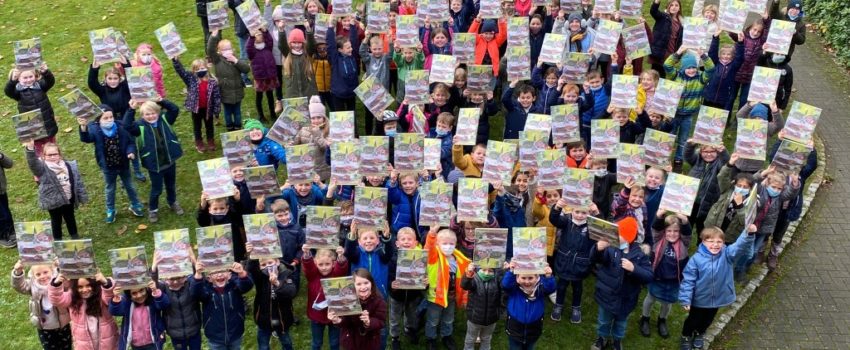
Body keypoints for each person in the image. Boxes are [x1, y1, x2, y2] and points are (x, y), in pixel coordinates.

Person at [678, 225, 757, 350]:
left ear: (723, 243)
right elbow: (688, 280)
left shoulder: (727, 255)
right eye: (711, 241)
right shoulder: (696, 260)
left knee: (707, 320)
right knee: (693, 320)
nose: (715, 244)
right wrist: (685, 298)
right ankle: (686, 336)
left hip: (717, 299)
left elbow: (739, 246)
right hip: (699, 300)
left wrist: (748, 234)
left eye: (719, 241)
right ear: (703, 241)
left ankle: (699, 334)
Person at [590, 217, 653, 350]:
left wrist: (634, 269)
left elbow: (648, 275)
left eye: (618, 234)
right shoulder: (611, 248)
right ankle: (602, 338)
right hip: (607, 296)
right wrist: (597, 249)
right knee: (603, 321)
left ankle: (617, 340)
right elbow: (596, 259)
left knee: (621, 323)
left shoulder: (640, 255)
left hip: (626, 298)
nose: (614, 236)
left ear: (629, 237)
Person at [78, 105, 144, 223]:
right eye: (105, 118)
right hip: (108, 167)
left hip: (123, 164)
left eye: (111, 117)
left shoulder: (121, 126)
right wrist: (83, 126)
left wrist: (130, 152)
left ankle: (135, 204)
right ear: (98, 120)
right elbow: (86, 138)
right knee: (110, 188)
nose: (109, 120)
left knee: (130, 185)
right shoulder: (94, 129)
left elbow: (130, 142)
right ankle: (111, 209)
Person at [123, 99, 184, 223]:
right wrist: (131, 110)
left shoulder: (165, 119)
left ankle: (172, 202)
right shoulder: (139, 126)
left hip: (169, 161)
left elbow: (175, 109)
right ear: (142, 115)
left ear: (158, 112)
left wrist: (162, 101)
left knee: (171, 185)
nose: (150, 116)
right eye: (147, 114)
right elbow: (126, 125)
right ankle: (153, 209)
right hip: (154, 165)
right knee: (157, 189)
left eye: (153, 113)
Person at [87, 59, 147, 181]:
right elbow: (92, 83)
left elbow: (132, 75)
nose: (113, 81)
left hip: (127, 120)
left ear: (120, 79)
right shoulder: (102, 90)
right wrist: (94, 68)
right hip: (111, 123)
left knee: (131, 145)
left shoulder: (125, 87)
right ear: (105, 79)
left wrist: (125, 63)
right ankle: (122, 172)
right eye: (110, 79)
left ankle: (137, 170)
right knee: (117, 148)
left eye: (115, 78)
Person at [639, 211, 691, 339]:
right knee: (650, 298)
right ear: (664, 231)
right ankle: (644, 318)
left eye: (676, 231)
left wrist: (684, 221)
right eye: (669, 231)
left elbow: (687, 233)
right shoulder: (658, 239)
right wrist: (659, 216)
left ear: (680, 233)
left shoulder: (684, 243)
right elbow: (656, 227)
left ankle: (662, 320)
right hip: (657, 277)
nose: (672, 234)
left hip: (674, 281)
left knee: (667, 303)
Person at [663, 47, 715, 171]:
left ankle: (678, 161)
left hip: (688, 116)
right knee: (669, 138)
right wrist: (678, 52)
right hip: (673, 114)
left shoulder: (700, 79)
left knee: (683, 140)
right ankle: (664, 160)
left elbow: (711, 68)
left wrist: (703, 56)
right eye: (688, 68)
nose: (691, 70)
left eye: (693, 67)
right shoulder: (676, 76)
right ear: (682, 68)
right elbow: (667, 65)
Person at [25, 141, 88, 240]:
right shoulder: (42, 168)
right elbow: (33, 163)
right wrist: (30, 148)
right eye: (49, 155)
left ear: (59, 155)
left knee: (70, 217)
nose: (52, 157)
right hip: (53, 202)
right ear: (44, 156)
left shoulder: (69, 166)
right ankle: (58, 241)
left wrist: (82, 196)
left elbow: (77, 181)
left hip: (68, 198)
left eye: (55, 154)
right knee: (56, 221)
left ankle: (75, 237)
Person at [549, 202, 599, 323]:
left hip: (580, 264)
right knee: (561, 286)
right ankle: (558, 305)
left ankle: (576, 307)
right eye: (577, 212)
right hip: (564, 261)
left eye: (584, 213)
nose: (580, 215)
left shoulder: (591, 225)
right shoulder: (567, 221)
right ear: (572, 211)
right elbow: (554, 219)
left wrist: (597, 213)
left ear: (589, 213)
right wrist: (557, 207)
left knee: (577, 287)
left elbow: (601, 228)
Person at [423, 227, 471, 350]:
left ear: (456, 244)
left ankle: (446, 336)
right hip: (436, 297)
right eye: (444, 243)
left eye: (451, 244)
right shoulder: (434, 257)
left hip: (451, 296)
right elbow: (428, 248)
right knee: (433, 320)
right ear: (438, 244)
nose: (448, 246)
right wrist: (432, 234)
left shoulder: (459, 259)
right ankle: (431, 338)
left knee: (449, 318)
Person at [48, 271, 119, 350]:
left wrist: (105, 282)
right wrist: (56, 283)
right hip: (83, 343)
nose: (84, 290)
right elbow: (56, 300)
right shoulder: (72, 297)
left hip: (107, 341)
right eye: (80, 287)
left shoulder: (102, 294)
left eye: (88, 285)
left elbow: (109, 298)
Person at [191, 261, 254, 350]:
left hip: (235, 333)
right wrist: (198, 274)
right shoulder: (206, 289)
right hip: (215, 336)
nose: (219, 275)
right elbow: (195, 292)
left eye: (222, 271)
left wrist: (241, 273)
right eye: (215, 273)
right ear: (209, 278)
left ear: (229, 275)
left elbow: (247, 286)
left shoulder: (234, 286)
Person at [11, 261, 72, 349]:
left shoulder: (59, 281)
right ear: (33, 276)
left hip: (62, 324)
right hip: (44, 327)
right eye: (38, 274)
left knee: (66, 347)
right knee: (49, 347)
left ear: (52, 271)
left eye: (45, 272)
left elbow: (69, 282)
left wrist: (61, 266)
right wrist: (18, 272)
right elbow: (19, 286)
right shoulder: (32, 285)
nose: (43, 276)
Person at [327, 268, 388, 350]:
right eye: (358, 284)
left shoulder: (379, 300)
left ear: (372, 283)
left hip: (370, 341)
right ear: (352, 286)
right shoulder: (346, 300)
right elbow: (345, 323)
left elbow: (381, 321)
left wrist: (369, 322)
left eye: (366, 283)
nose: (363, 287)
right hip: (351, 341)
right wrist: (338, 320)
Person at [245, 256, 298, 350]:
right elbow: (251, 269)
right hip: (263, 318)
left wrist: (277, 283)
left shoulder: (286, 274)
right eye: (263, 265)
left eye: (270, 263)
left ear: (277, 262)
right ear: (259, 267)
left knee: (286, 342)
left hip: (282, 319)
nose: (267, 267)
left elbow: (292, 292)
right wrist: (252, 255)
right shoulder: (260, 277)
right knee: (263, 345)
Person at [5, 64, 57, 155]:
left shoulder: (39, 86)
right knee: (37, 148)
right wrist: (12, 81)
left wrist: (45, 72)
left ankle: (54, 159)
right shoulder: (18, 92)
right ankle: (41, 163)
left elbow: (50, 82)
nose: (28, 80)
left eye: (30, 76)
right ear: (19, 79)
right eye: (25, 78)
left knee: (51, 146)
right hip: (32, 127)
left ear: (35, 76)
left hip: (47, 122)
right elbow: (8, 91)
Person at [302, 247, 349, 350]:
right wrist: (306, 254)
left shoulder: (336, 274)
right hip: (316, 316)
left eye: (327, 264)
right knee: (316, 343)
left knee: (334, 343)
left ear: (333, 264)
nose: (324, 268)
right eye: (320, 264)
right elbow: (308, 267)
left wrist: (340, 257)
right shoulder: (312, 275)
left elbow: (342, 267)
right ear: (315, 264)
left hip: (334, 315)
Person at [502, 262, 556, 350]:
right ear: (517, 277)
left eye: (530, 278)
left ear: (537, 277)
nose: (527, 281)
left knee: (530, 347)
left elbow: (551, 288)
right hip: (515, 330)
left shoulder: (540, 289)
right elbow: (506, 284)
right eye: (523, 278)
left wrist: (548, 276)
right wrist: (511, 271)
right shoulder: (514, 288)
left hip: (533, 330)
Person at [172, 56, 220, 153]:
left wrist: (217, 110)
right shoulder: (191, 80)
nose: (200, 71)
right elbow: (181, 72)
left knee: (209, 125)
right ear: (193, 71)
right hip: (196, 109)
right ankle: (199, 142)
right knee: (197, 126)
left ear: (207, 68)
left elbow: (216, 97)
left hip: (208, 108)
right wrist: (176, 61)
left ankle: (210, 141)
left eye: (202, 68)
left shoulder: (212, 82)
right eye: (197, 69)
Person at [153, 258, 202, 350]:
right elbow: (154, 284)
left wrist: (191, 258)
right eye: (172, 279)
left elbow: (197, 278)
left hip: (194, 330)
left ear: (184, 276)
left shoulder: (190, 285)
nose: (175, 282)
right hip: (176, 334)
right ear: (166, 278)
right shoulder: (163, 288)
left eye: (178, 278)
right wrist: (154, 269)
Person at [207, 29, 251, 131]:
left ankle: (238, 126)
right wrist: (213, 36)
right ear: (219, 51)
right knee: (227, 112)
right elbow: (210, 50)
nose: (227, 51)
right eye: (224, 50)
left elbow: (246, 69)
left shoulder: (235, 59)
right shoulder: (217, 60)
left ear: (232, 49)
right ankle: (230, 127)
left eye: (229, 49)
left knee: (237, 112)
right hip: (225, 92)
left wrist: (235, 61)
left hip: (237, 91)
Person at [387, 228, 424, 349]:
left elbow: (424, 276)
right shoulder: (393, 259)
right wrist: (392, 285)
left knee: (411, 314)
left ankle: (409, 329)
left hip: (414, 295)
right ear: (397, 243)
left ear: (416, 243)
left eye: (410, 239)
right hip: (397, 296)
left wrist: (425, 283)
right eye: (403, 239)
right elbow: (389, 277)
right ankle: (395, 336)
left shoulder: (421, 258)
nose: (406, 242)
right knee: (394, 316)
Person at [109, 281, 170, 350]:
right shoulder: (127, 304)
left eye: (141, 290)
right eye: (134, 293)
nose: (139, 295)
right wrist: (116, 300)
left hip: (153, 341)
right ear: (129, 295)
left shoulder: (152, 300)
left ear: (146, 289)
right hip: (136, 344)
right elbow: (115, 312)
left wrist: (155, 291)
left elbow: (164, 304)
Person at [685, 141, 730, 233]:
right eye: (705, 151)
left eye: (712, 151)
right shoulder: (696, 160)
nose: (708, 154)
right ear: (700, 152)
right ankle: (685, 241)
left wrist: (723, 151)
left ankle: (701, 243)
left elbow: (726, 162)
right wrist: (690, 145)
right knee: (686, 224)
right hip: (691, 201)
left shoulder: (719, 163)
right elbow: (688, 155)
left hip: (708, 203)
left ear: (717, 152)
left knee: (702, 227)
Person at [196, 191, 248, 262]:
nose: (218, 211)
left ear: (227, 207)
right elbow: (202, 222)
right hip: (216, 255)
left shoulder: (232, 216)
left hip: (235, 253)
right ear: (209, 209)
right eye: (215, 209)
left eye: (222, 208)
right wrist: (203, 206)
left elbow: (240, 217)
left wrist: (237, 201)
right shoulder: (208, 219)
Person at [460, 262, 502, 350]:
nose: (487, 273)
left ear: (494, 272)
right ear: (478, 270)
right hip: (474, 318)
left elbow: (505, 287)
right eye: (484, 270)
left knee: (486, 338)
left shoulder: (496, 280)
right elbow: (464, 285)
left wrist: (506, 271)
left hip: (491, 318)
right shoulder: (474, 279)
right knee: (470, 338)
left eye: (490, 271)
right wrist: (469, 273)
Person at [326, 18, 362, 112]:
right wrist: (330, 27)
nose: (351, 49)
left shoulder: (352, 55)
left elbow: (354, 40)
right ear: (340, 50)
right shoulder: (335, 59)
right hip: (338, 94)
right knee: (340, 115)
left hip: (351, 93)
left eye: (350, 47)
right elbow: (331, 45)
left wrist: (352, 25)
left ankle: (353, 127)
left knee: (352, 114)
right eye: (348, 48)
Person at [294, 96, 331, 181]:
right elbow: (297, 143)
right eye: (313, 118)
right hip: (306, 165)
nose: (316, 120)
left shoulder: (328, 129)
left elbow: (326, 148)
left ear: (324, 118)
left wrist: (317, 134)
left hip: (321, 167)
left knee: (319, 187)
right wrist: (291, 142)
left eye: (319, 117)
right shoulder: (303, 128)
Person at [247, 28, 281, 122]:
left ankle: (273, 114)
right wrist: (251, 37)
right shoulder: (252, 51)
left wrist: (266, 31)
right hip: (260, 77)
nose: (258, 35)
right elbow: (248, 47)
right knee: (259, 96)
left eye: (260, 33)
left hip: (270, 76)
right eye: (256, 34)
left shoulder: (267, 47)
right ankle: (261, 115)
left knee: (270, 95)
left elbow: (270, 40)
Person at [648, 0, 683, 77]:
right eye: (671, 5)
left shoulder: (681, 23)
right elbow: (653, 11)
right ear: (668, 7)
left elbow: (679, 40)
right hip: (660, 51)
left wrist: (678, 54)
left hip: (671, 52)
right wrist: (656, 2)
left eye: (676, 5)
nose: (674, 7)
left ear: (679, 8)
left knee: (663, 75)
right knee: (656, 75)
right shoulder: (664, 16)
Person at [0, 150, 15, 247]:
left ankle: (11, 231)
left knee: (6, 211)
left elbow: (9, 164)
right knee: (1, 215)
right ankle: (2, 236)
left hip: (1, 189)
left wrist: (1, 156)